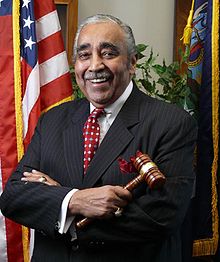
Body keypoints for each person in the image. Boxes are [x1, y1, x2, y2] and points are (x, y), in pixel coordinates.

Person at [0, 14, 197, 262]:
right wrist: (75, 201)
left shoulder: (172, 123)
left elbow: (162, 216)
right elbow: (14, 197)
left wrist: (63, 210)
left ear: (132, 62)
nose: (94, 66)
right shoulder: (53, 120)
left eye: (108, 53)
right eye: (84, 55)